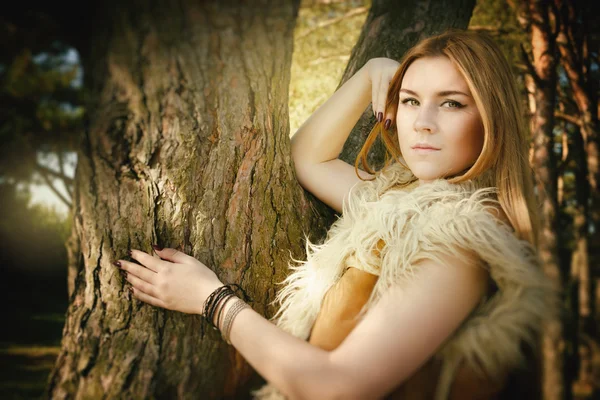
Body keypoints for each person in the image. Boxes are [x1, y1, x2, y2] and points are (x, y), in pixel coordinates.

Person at [114, 29, 560, 399]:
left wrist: (211, 301)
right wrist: (370, 74)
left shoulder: (458, 238)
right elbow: (308, 158)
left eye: (451, 103)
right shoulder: (403, 202)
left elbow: (338, 387)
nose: (422, 121)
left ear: (491, 118)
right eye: (409, 100)